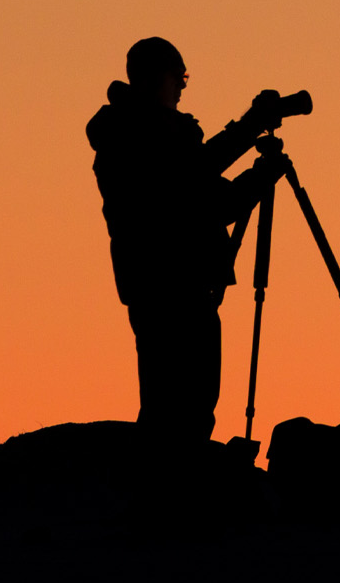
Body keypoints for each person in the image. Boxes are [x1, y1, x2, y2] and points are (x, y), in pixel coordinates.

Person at [86, 37, 284, 442]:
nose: (183, 86)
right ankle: (173, 495)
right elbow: (198, 191)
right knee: (178, 409)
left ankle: (175, 490)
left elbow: (200, 184)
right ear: (157, 77)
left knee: (184, 407)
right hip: (169, 286)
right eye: (180, 76)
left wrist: (253, 154)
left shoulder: (141, 132)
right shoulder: (135, 136)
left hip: (173, 284)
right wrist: (256, 158)